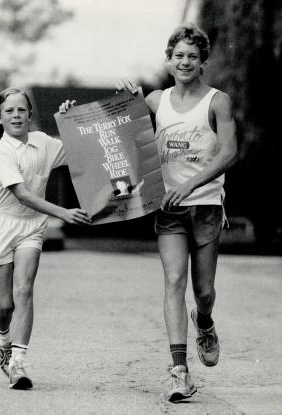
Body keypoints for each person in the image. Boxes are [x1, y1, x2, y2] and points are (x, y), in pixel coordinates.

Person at [116, 23, 237, 403]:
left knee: (202, 291)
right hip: (169, 207)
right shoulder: (155, 100)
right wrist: (124, 104)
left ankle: (205, 321)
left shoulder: (218, 101)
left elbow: (229, 152)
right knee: (172, 281)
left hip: (205, 205)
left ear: (203, 62)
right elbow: (114, 131)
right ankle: (179, 371)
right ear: (168, 61)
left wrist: (191, 184)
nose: (185, 62)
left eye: (192, 56)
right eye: (178, 55)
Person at [0, 88, 92, 390]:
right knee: (5, 306)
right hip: (3, 226)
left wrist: (71, 119)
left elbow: (80, 149)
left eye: (22, 110)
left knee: (25, 290)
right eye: (9, 111)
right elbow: (22, 194)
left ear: (30, 115)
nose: (16, 115)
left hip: (32, 227)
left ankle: (18, 363)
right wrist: (63, 212)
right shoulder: (1, 152)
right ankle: (2, 337)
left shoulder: (43, 142)